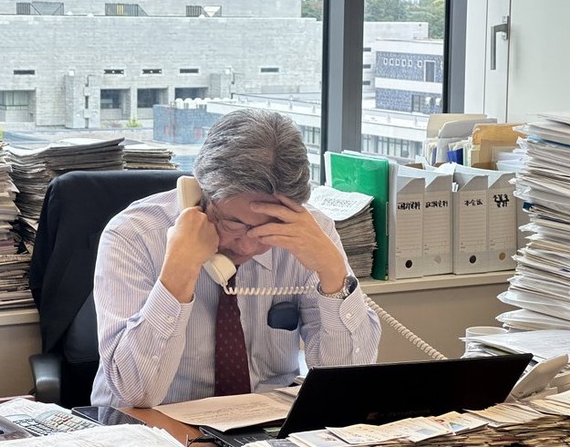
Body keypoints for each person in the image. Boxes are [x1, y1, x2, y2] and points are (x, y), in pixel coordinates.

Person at [90, 108, 382, 408]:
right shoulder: (134, 235)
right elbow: (136, 393)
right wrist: (179, 273)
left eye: (269, 227)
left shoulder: (308, 234)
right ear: (201, 192)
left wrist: (332, 272)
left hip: (265, 422)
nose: (247, 246)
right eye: (233, 224)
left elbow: (346, 381)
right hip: (152, 423)